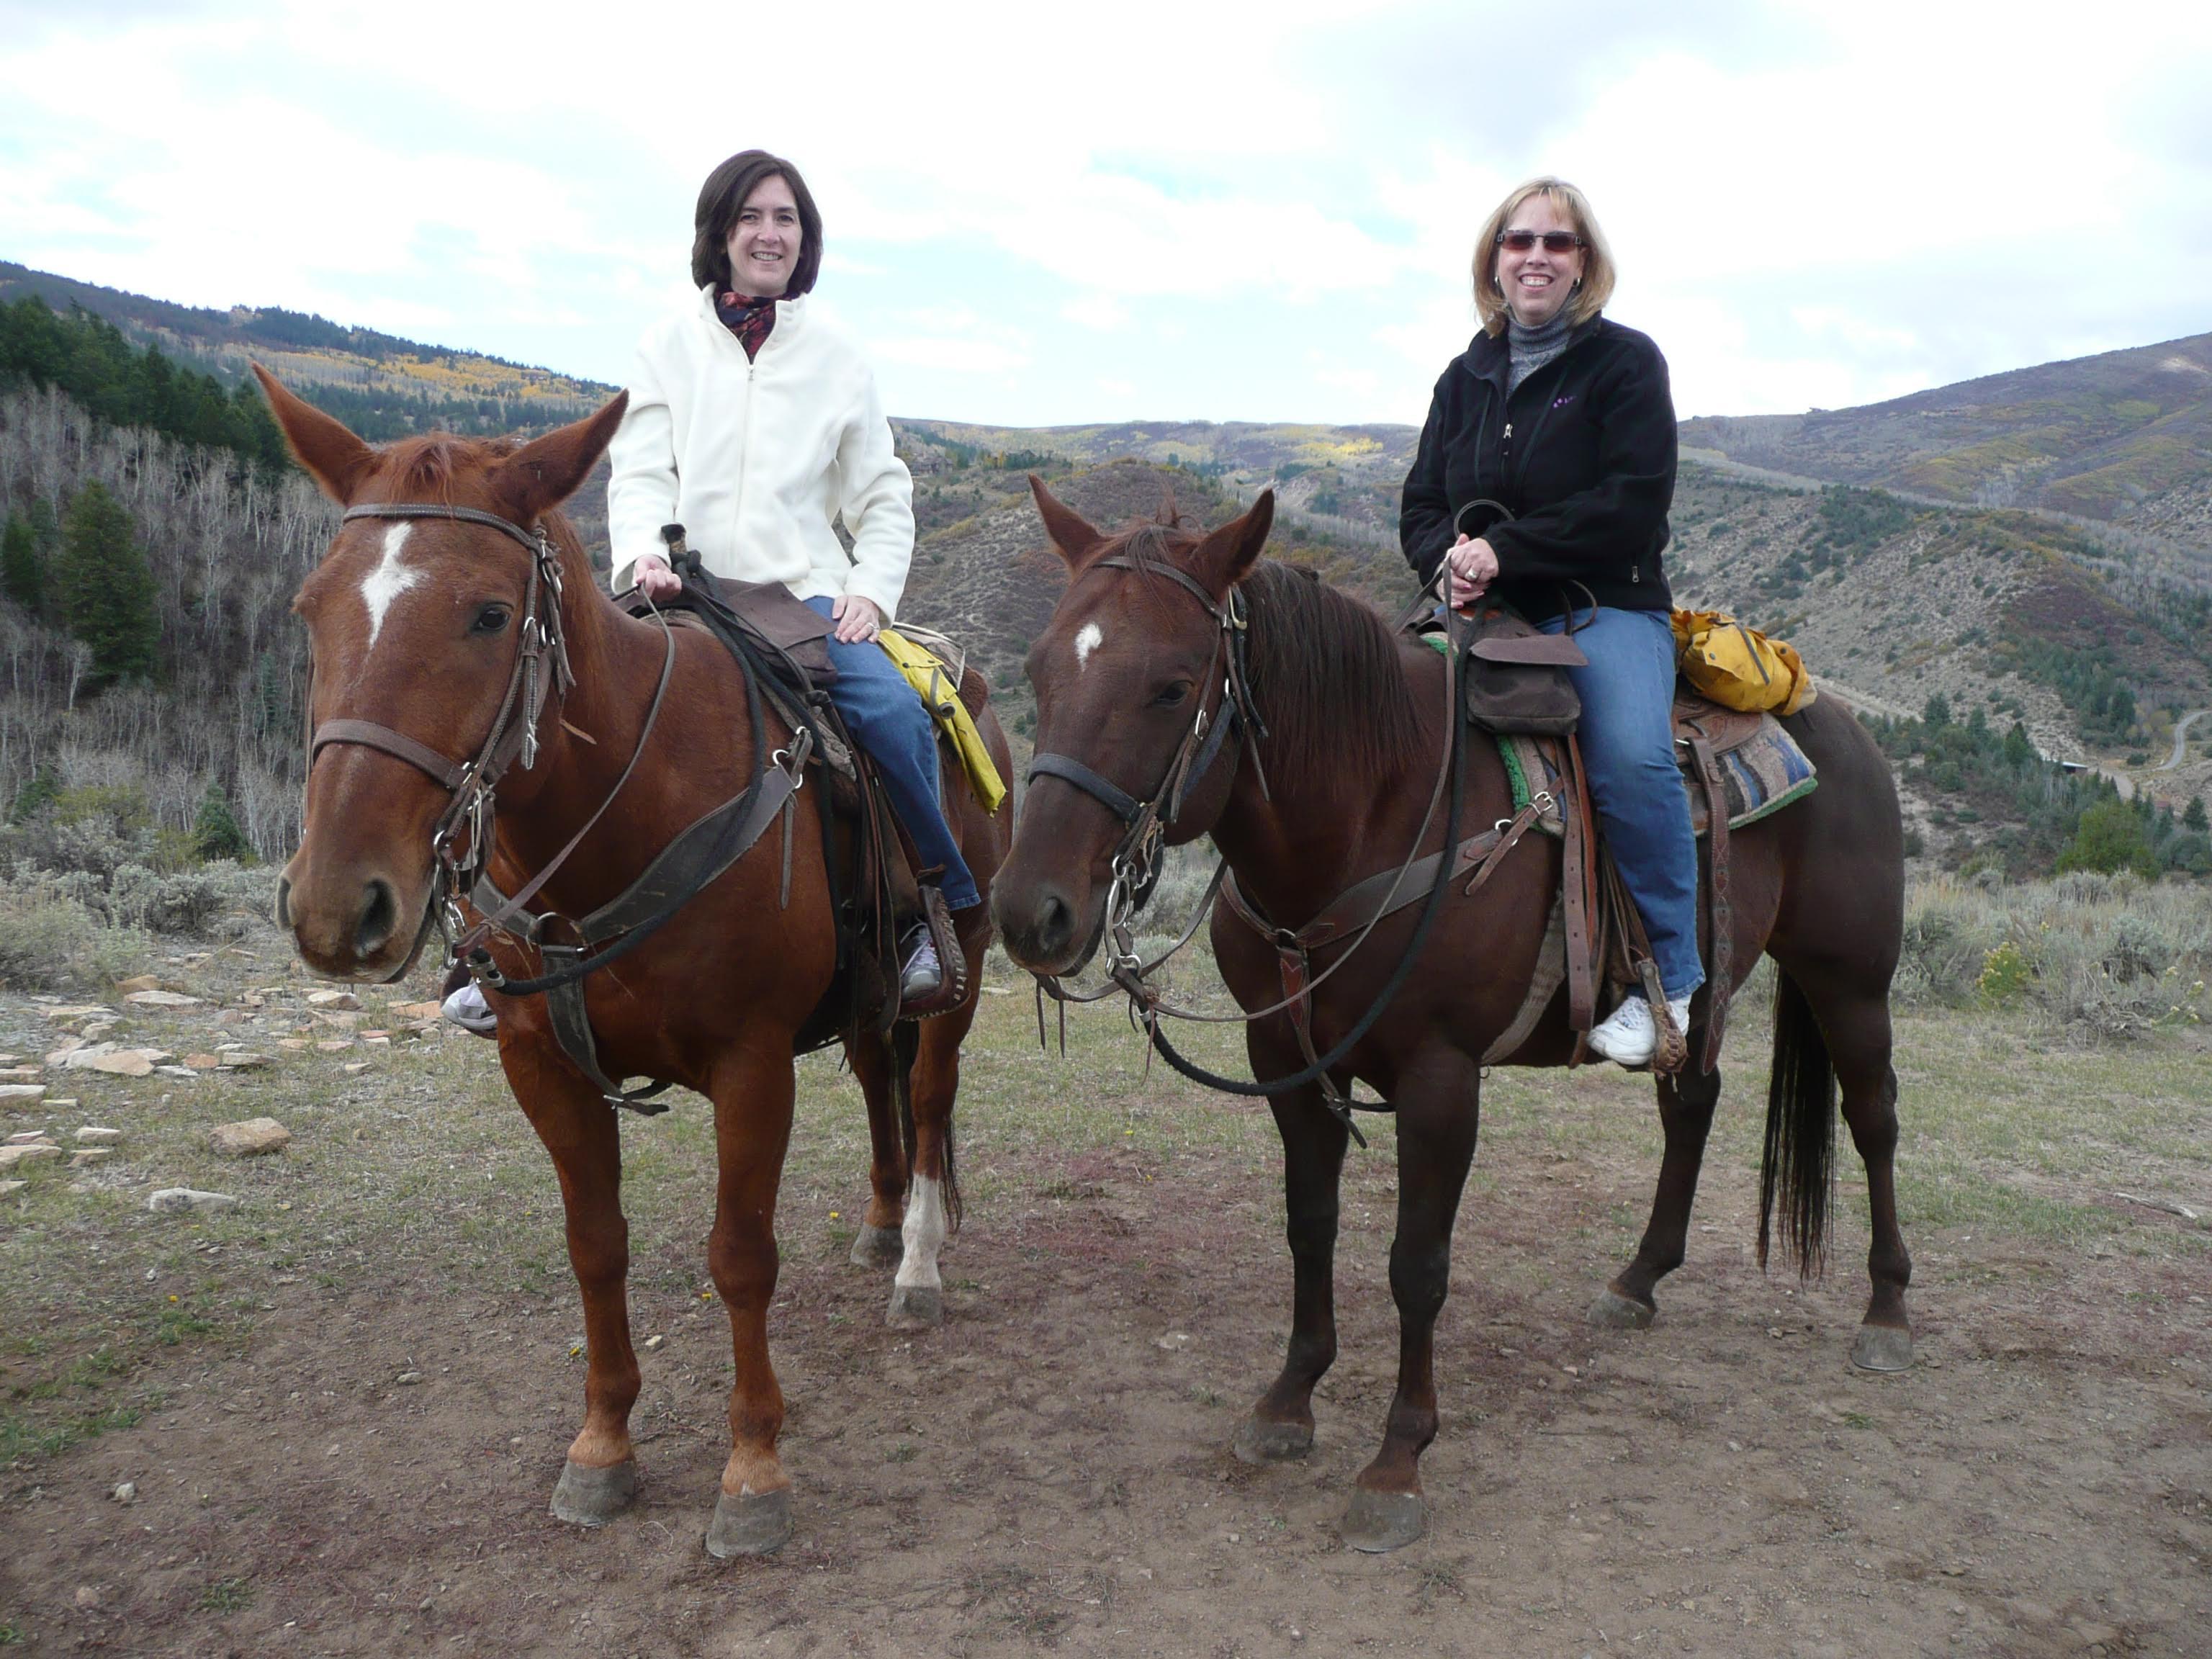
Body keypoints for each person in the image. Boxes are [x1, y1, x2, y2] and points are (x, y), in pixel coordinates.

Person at [445, 149, 975, 1037]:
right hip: (681, 590)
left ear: (804, 241)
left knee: (890, 709)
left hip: (802, 595)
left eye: (787, 220)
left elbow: (883, 498)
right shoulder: (666, 346)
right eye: (752, 218)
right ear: (720, 234)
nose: (770, 235)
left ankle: (932, 914)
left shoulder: (839, 357)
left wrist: (872, 595)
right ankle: (493, 941)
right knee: (537, 709)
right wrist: (645, 555)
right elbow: (642, 471)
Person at [1398, 175, 1701, 1068]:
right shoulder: (1465, 378)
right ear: (1494, 262)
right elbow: (1422, 501)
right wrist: (1444, 562)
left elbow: (1634, 503)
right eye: (1518, 241)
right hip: (1485, 611)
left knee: (1632, 758)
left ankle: (1670, 985)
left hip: (1605, 606)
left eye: (1556, 243)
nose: (1536, 256)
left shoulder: (1625, 363)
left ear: (1583, 265)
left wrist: (1508, 552)